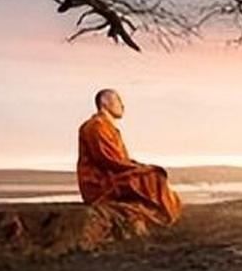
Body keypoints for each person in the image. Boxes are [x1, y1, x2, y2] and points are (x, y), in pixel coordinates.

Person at [77, 88, 183, 232]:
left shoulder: (108, 126)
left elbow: (119, 159)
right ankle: (162, 215)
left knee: (154, 173)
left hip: (113, 173)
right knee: (154, 176)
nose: (122, 106)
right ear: (105, 103)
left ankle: (161, 212)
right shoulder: (95, 126)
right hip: (99, 181)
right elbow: (107, 159)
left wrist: (138, 166)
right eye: (118, 101)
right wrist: (137, 168)